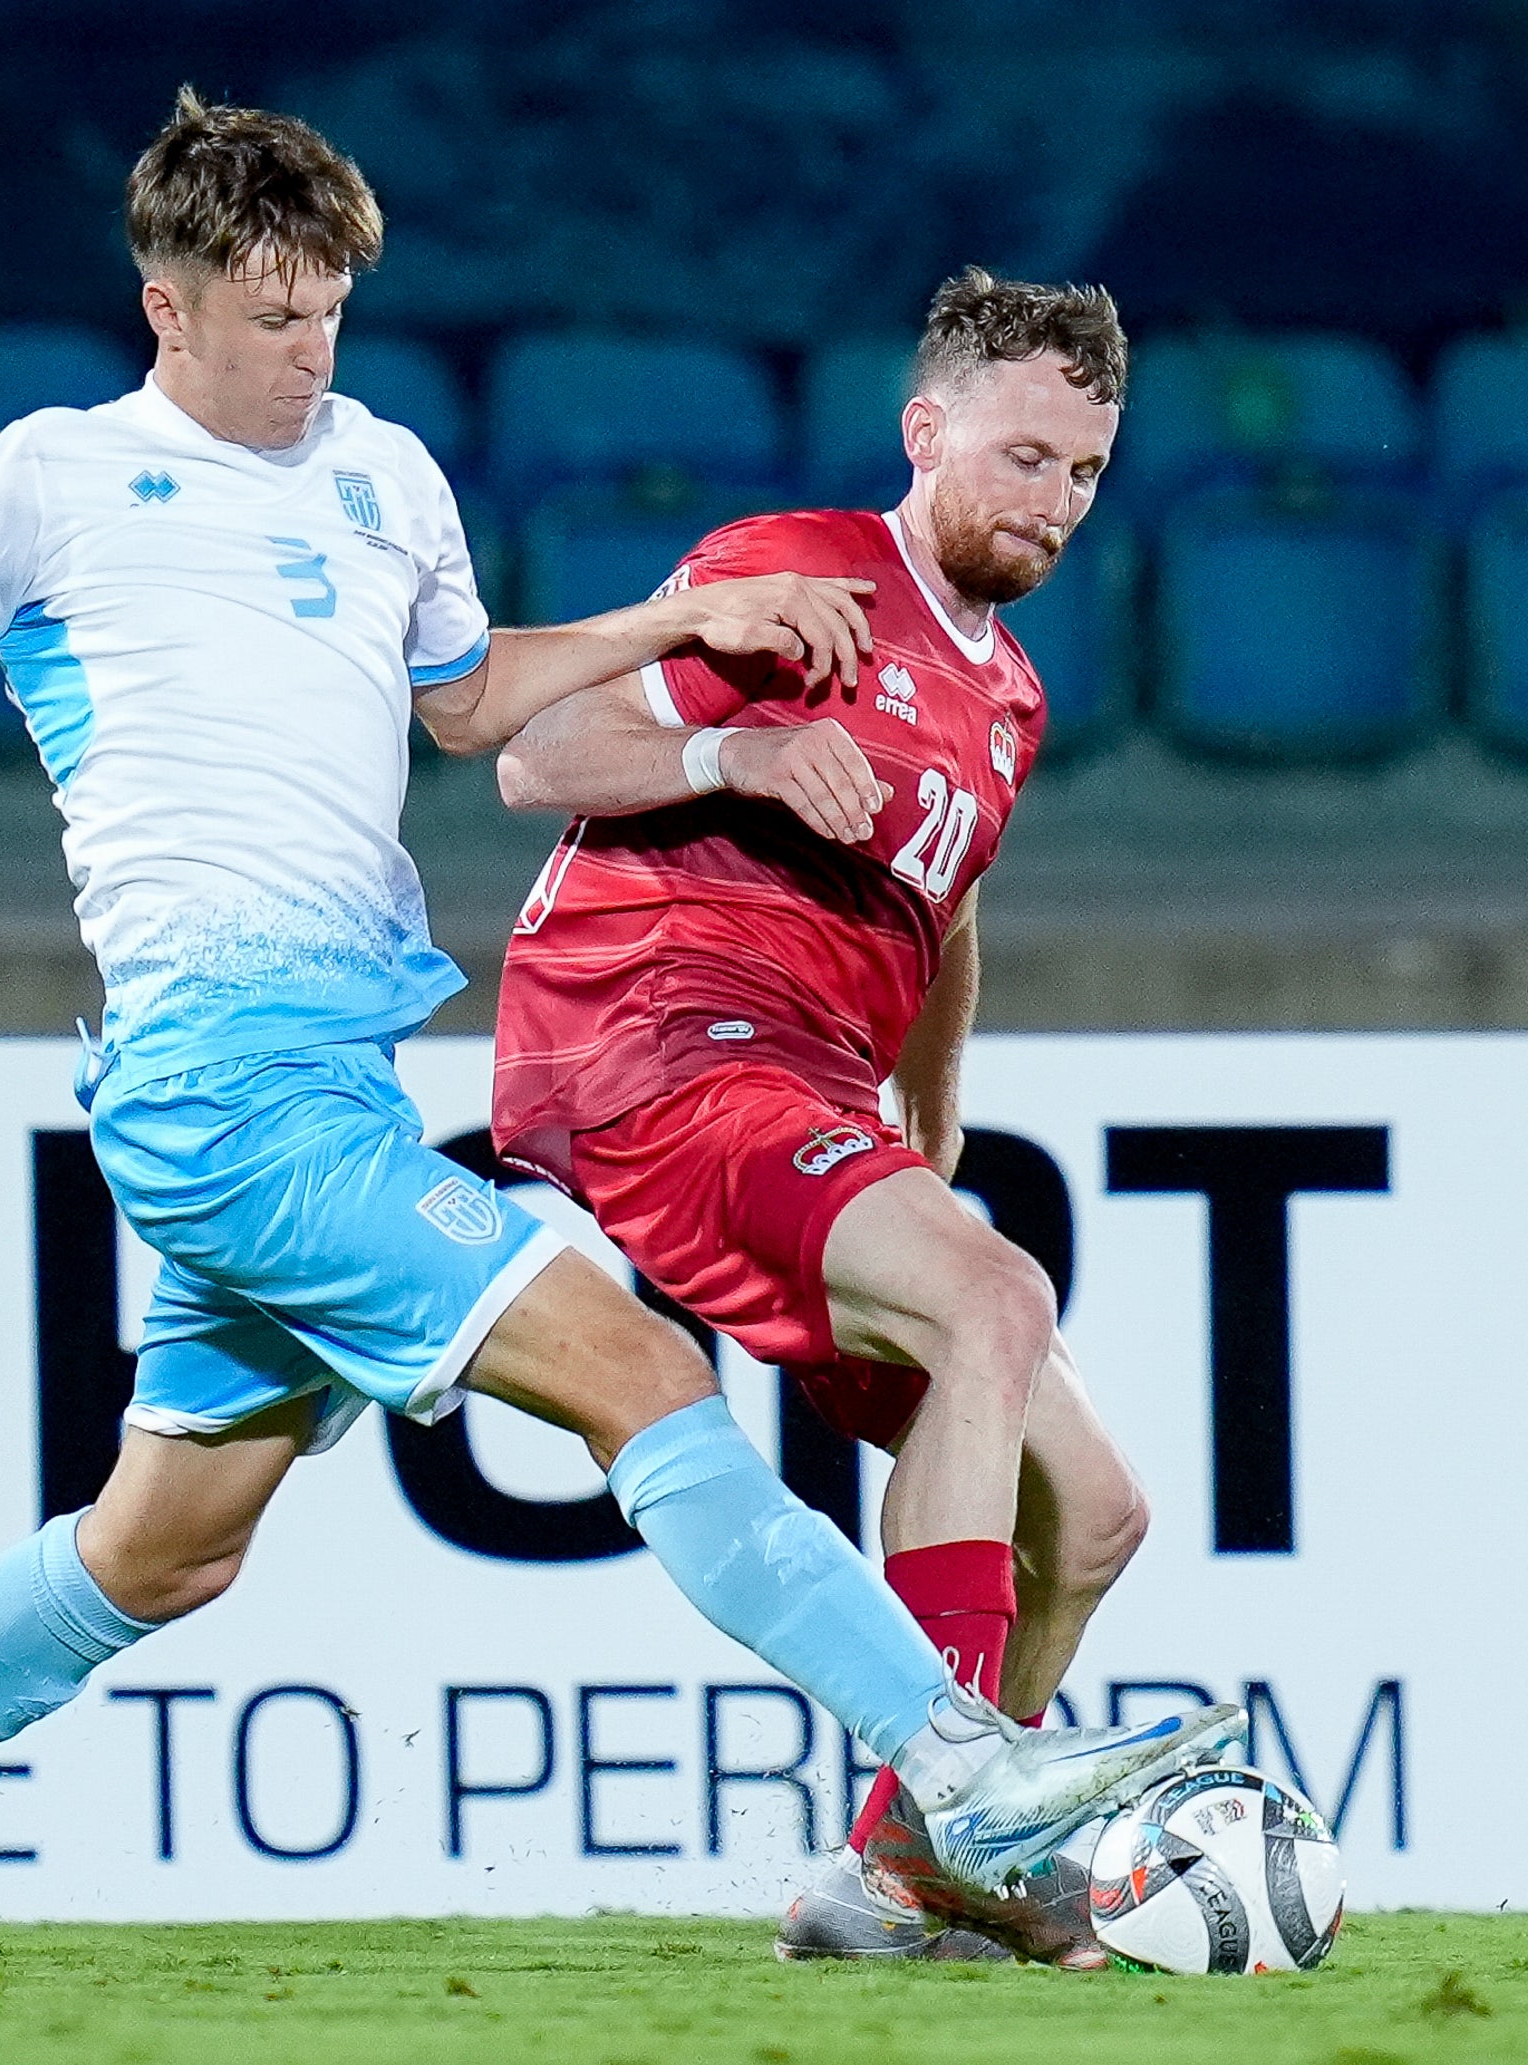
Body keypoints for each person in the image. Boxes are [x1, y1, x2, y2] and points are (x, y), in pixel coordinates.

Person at [0, 98, 1234, 1968]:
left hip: (337, 1078)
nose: (309, 353)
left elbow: (468, 708)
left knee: (165, 1547)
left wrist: (681, 621)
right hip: (213, 1083)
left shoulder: (383, 475)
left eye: (333, 311)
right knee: (645, 1380)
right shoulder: (40, 483)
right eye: (272, 317)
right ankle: (959, 1773)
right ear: (163, 305)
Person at [488, 268, 1163, 1964]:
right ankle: (938, 1825)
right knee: (996, 1299)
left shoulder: (1006, 695)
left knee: (1089, 1511)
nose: (1053, 504)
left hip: (804, 1084)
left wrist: (932, 1111)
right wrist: (740, 761)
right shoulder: (801, 576)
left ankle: (922, 1862)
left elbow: (947, 910)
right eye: (1022, 459)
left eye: (1083, 474)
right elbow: (533, 754)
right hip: (660, 1041)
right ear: (926, 430)